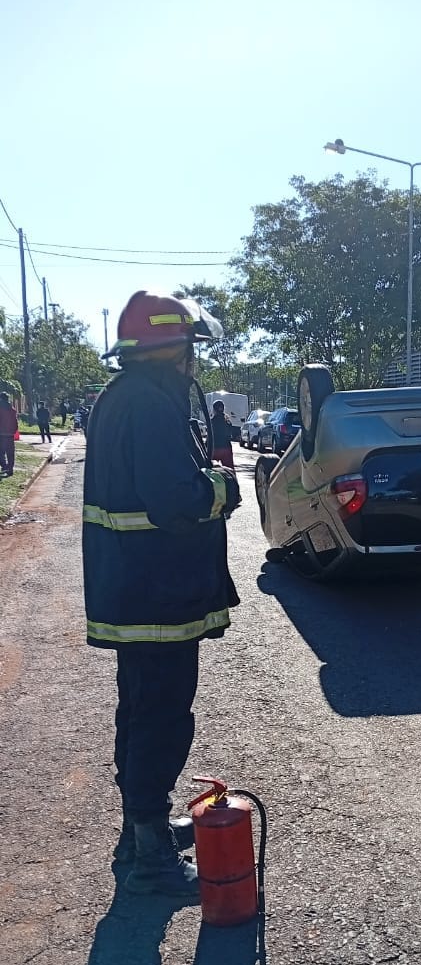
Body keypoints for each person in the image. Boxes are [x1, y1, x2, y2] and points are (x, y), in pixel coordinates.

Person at [82, 290, 241, 900]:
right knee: (163, 715)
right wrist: (223, 488)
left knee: (142, 709)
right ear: (173, 347)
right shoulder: (149, 405)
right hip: (157, 592)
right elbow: (176, 501)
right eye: (192, 347)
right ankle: (149, 853)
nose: (195, 360)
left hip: (138, 588)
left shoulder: (127, 398)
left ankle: (140, 827)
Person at [209, 399, 235, 470]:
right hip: (226, 448)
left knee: (209, 468)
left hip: (215, 448)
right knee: (229, 469)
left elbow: (209, 436)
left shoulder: (212, 421)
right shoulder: (228, 421)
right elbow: (230, 434)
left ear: (214, 409)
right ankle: (231, 480)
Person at [0, 391, 17, 477]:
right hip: (10, 434)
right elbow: (15, 422)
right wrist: (14, 431)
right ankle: (10, 470)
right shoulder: (12, 409)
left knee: (1, 452)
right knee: (10, 453)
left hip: (1, 434)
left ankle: (4, 466)